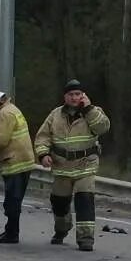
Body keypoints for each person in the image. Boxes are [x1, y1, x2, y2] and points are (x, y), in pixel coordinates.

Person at [34, 79, 111, 251]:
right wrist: (43, 154)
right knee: (59, 202)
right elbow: (43, 136)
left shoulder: (93, 112)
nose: (75, 97)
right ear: (65, 96)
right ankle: (62, 228)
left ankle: (85, 238)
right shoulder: (55, 115)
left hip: (86, 165)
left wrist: (89, 109)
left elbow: (103, 128)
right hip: (62, 166)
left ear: (83, 95)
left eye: (78, 94)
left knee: (84, 199)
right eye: (71, 94)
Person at [0, 85, 35, 243]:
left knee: (12, 201)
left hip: (14, 162)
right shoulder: (12, 109)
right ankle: (11, 231)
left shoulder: (4, 114)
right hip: (22, 160)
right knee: (14, 200)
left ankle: (12, 233)